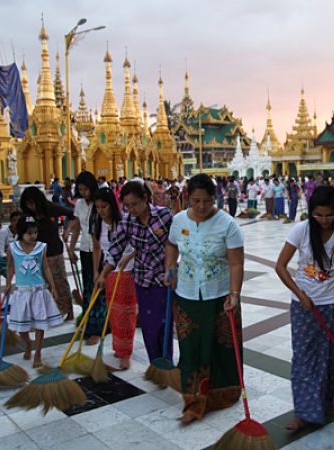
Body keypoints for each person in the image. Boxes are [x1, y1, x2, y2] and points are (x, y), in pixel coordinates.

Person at [276, 185, 334, 430]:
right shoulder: (301, 229)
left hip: (332, 304)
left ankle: (324, 401)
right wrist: (299, 293)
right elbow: (280, 266)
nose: (323, 220)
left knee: (333, 355)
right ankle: (304, 411)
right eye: (318, 215)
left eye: (329, 215)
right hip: (304, 306)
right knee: (304, 357)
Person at [165, 173, 244, 424]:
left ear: (215, 197)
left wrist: (235, 294)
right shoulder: (178, 221)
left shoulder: (227, 224)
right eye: (196, 201)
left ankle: (223, 395)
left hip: (219, 296)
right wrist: (171, 268)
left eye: (207, 201)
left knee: (220, 348)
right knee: (191, 349)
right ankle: (194, 401)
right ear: (188, 198)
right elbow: (171, 245)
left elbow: (236, 263)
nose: (201, 207)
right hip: (187, 295)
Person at [96, 181, 173, 364]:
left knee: (164, 324)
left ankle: (166, 364)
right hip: (142, 279)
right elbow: (115, 249)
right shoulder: (126, 221)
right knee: (148, 325)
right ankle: (155, 364)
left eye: (135, 204)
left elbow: (176, 243)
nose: (132, 209)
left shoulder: (164, 216)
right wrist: (103, 274)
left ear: (145, 199)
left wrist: (173, 268)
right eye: (127, 205)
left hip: (164, 279)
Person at [6, 216, 63, 368]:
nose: (33, 236)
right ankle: (28, 343)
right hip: (22, 292)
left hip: (39, 290)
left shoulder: (41, 247)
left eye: (35, 232)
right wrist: (7, 284)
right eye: (29, 233)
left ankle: (37, 353)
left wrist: (53, 286)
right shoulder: (13, 247)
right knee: (20, 326)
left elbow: (45, 267)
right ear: (21, 232)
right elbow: (10, 266)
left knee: (39, 324)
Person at [92, 188, 137, 370]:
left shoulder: (125, 222)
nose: (101, 211)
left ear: (113, 205)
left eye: (104, 206)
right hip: (109, 271)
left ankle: (126, 353)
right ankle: (118, 348)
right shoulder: (99, 224)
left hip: (127, 272)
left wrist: (128, 257)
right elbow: (97, 248)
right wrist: (98, 272)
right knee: (114, 312)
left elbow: (138, 245)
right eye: (98, 207)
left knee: (126, 313)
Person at [20, 186, 76, 320]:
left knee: (59, 280)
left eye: (32, 203)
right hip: (37, 253)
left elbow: (72, 214)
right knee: (44, 284)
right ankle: (50, 310)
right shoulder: (28, 215)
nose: (30, 206)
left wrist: (67, 231)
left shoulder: (50, 208)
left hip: (54, 251)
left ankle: (68, 308)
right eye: (27, 204)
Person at [68, 171, 104, 345]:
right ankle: (89, 323)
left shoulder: (99, 203)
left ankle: (98, 327)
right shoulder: (80, 204)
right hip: (85, 248)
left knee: (99, 286)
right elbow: (77, 227)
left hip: (100, 249)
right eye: (80, 189)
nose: (83, 193)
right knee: (88, 286)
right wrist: (70, 247)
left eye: (85, 189)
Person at [0, 210, 22, 277]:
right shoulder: (3, 232)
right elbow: (0, 252)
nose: (16, 223)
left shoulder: (21, 233)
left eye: (19, 220)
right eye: (14, 220)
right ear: (11, 222)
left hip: (13, 258)